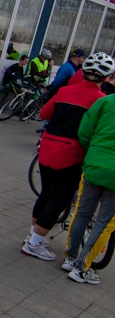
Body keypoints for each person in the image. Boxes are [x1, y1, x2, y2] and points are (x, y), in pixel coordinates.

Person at [22, 54, 107, 261]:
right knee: (59, 200)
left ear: (83, 72)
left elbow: (44, 115)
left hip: (48, 147)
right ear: (106, 77)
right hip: (71, 154)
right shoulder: (100, 100)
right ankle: (34, 244)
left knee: (46, 194)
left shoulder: (65, 90)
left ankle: (33, 235)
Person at [60, 53, 115, 284]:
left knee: (82, 211)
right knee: (104, 223)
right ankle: (83, 267)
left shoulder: (105, 101)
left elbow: (85, 131)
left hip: (94, 164)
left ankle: (70, 258)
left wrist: (93, 151)